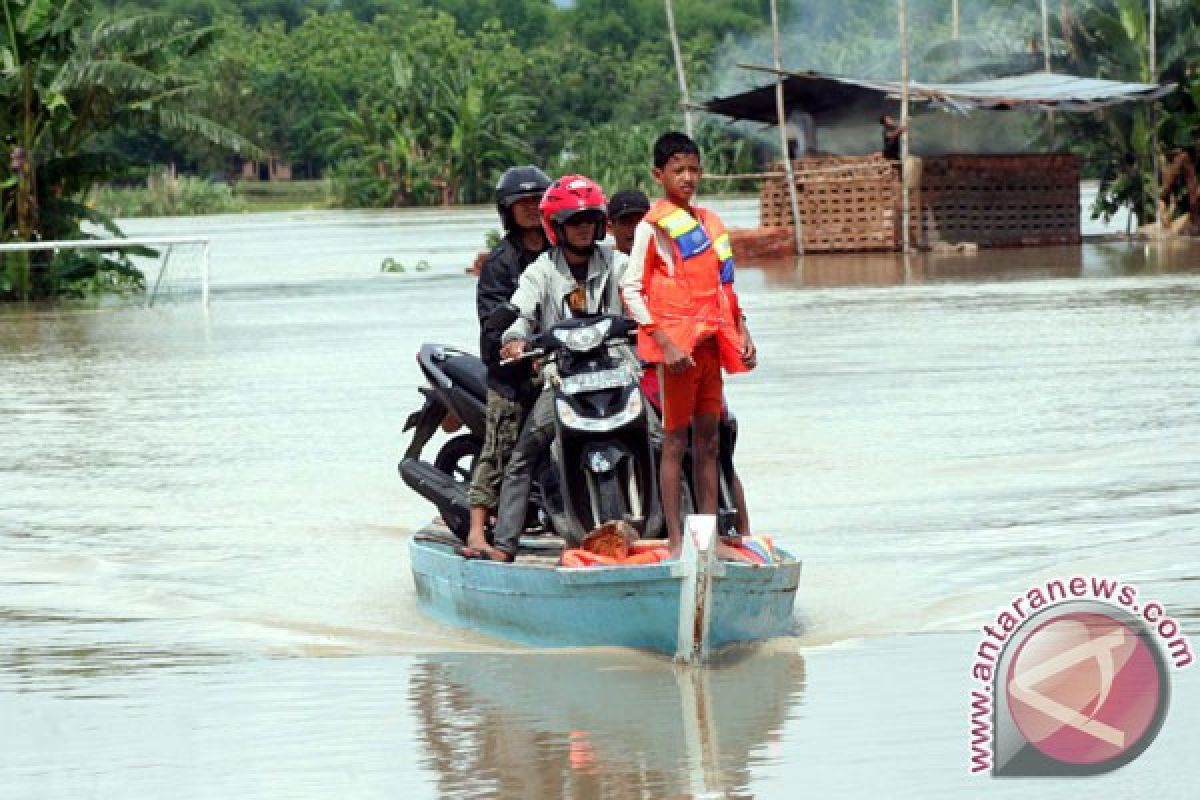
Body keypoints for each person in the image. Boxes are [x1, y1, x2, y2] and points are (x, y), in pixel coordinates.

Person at [473, 175, 630, 562]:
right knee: (523, 453)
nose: (583, 229)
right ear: (556, 226)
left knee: (660, 437)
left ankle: (677, 528)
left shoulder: (616, 262)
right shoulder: (540, 269)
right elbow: (520, 309)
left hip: (617, 372)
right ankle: (504, 544)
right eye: (574, 222)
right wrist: (514, 338)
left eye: (589, 221)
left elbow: (641, 291)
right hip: (561, 378)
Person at [620, 132, 756, 561]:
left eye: (694, 169)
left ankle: (709, 537)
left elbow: (724, 287)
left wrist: (744, 331)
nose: (688, 177)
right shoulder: (650, 228)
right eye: (679, 170)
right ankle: (678, 541)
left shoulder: (708, 223)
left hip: (711, 347)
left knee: (711, 442)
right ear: (659, 175)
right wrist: (664, 342)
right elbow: (632, 289)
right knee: (675, 442)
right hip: (677, 353)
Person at [462, 166, 551, 558]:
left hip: (559, 366)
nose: (532, 209)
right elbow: (492, 325)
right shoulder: (501, 263)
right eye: (523, 203)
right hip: (512, 374)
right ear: (508, 211)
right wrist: (517, 348)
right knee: (500, 449)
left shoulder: (562, 251)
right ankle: (477, 532)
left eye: (538, 201)